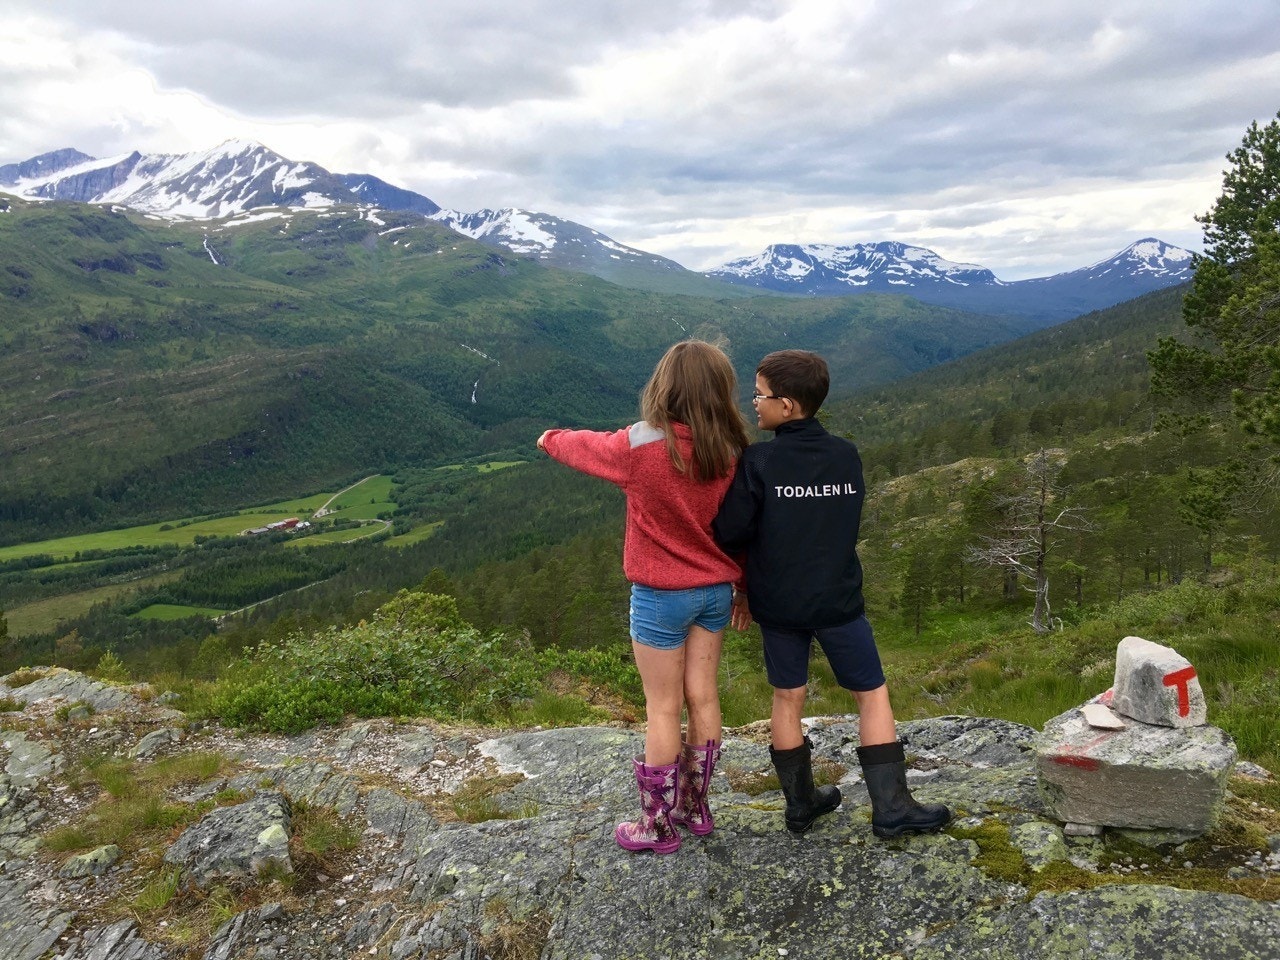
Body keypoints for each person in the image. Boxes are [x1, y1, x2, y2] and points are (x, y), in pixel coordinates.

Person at [712, 349, 950, 838]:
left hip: (778, 602)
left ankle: (801, 805)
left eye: (760, 395)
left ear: (789, 404)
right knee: (870, 695)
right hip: (838, 600)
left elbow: (731, 531)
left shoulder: (759, 460)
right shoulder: (845, 455)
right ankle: (892, 807)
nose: (753, 403)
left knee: (787, 696)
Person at [537, 339, 750, 854]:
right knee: (704, 695)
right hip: (715, 592)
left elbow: (583, 446)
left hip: (660, 595)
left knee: (662, 706)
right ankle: (695, 807)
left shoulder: (640, 447)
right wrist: (742, 585)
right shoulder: (733, 451)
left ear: (664, 386)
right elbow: (742, 527)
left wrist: (550, 437)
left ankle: (656, 826)